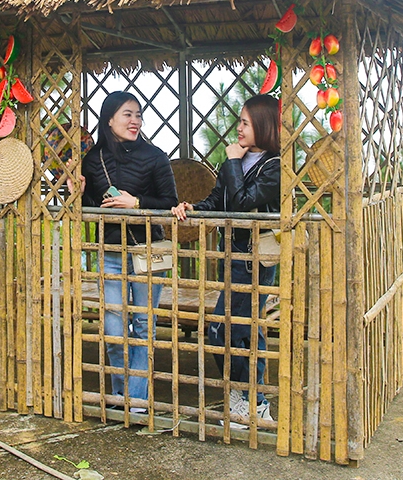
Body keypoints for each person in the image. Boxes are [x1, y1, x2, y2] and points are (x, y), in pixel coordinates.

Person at [171, 94, 281, 423]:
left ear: (263, 125)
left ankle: (251, 399)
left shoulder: (275, 166)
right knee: (244, 332)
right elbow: (217, 202)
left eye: (245, 123)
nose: (239, 129)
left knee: (226, 330)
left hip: (255, 261)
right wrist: (190, 208)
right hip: (232, 259)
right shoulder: (235, 161)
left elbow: (244, 202)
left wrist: (233, 163)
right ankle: (249, 401)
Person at [82, 91, 178, 412]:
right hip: (110, 249)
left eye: (138, 114)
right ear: (109, 119)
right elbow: (91, 208)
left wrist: (135, 203)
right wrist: (80, 195)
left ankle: (134, 401)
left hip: (148, 249)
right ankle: (122, 393)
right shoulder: (93, 160)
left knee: (143, 324)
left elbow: (169, 203)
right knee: (112, 326)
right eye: (128, 114)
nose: (135, 120)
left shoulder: (155, 157)